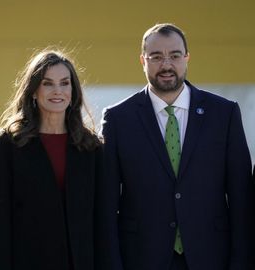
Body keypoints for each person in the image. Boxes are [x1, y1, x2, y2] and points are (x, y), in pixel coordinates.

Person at [99, 23, 254, 270]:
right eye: (156, 57)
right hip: (141, 258)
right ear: (142, 60)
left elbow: (241, 197)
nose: (166, 65)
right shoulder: (118, 119)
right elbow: (106, 205)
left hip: (212, 257)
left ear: (187, 58)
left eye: (174, 55)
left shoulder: (224, 114)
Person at [0, 49, 103, 270]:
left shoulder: (90, 146)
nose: (58, 91)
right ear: (34, 90)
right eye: (48, 83)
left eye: (65, 83)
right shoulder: (11, 143)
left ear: (73, 91)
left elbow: (101, 220)